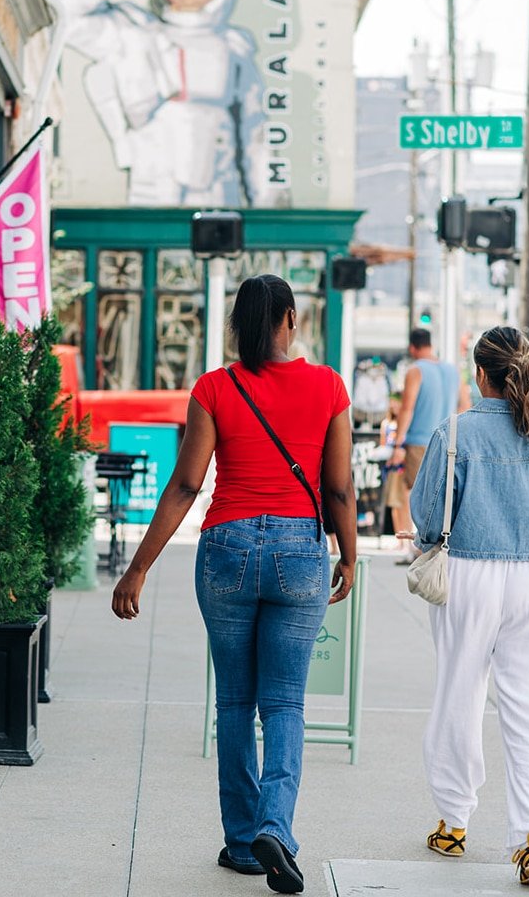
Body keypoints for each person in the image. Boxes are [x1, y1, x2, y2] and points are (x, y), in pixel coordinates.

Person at [112, 275, 357, 894]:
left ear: (236, 326)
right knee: (285, 703)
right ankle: (276, 826)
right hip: (300, 551)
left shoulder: (214, 388)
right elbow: (339, 489)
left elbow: (186, 486)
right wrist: (348, 556)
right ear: (291, 320)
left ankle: (244, 844)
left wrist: (139, 567)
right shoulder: (328, 386)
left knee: (233, 702)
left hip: (227, 548)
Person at [409, 326, 529, 888]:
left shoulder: (454, 432)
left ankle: (453, 823)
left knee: (459, 692)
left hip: (469, 575)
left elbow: (428, 516)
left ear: (480, 374)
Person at [57, 0, 269, 206]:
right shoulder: (130, 34)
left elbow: (254, 133)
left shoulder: (233, 47)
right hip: (152, 183)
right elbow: (65, 16)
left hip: (218, 187)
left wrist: (266, 209)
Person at [390, 328, 459, 565]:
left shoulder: (415, 370)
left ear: (412, 347)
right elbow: (465, 405)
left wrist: (397, 443)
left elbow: (407, 409)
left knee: (413, 495)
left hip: (420, 441)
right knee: (440, 495)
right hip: (449, 440)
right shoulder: (452, 371)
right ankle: (435, 548)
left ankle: (416, 550)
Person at [379, 395, 411, 551]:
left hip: (404, 469)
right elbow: (383, 445)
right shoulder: (386, 424)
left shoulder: (406, 424)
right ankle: (399, 538)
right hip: (391, 468)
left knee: (405, 504)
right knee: (394, 504)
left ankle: (408, 538)